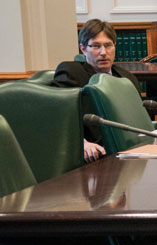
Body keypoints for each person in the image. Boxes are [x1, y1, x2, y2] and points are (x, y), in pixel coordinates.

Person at [52, 19, 140, 162]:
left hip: (127, 150)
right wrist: (81, 143)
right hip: (94, 152)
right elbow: (58, 115)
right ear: (83, 48)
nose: (103, 52)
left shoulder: (127, 78)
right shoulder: (72, 72)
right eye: (96, 46)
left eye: (108, 45)